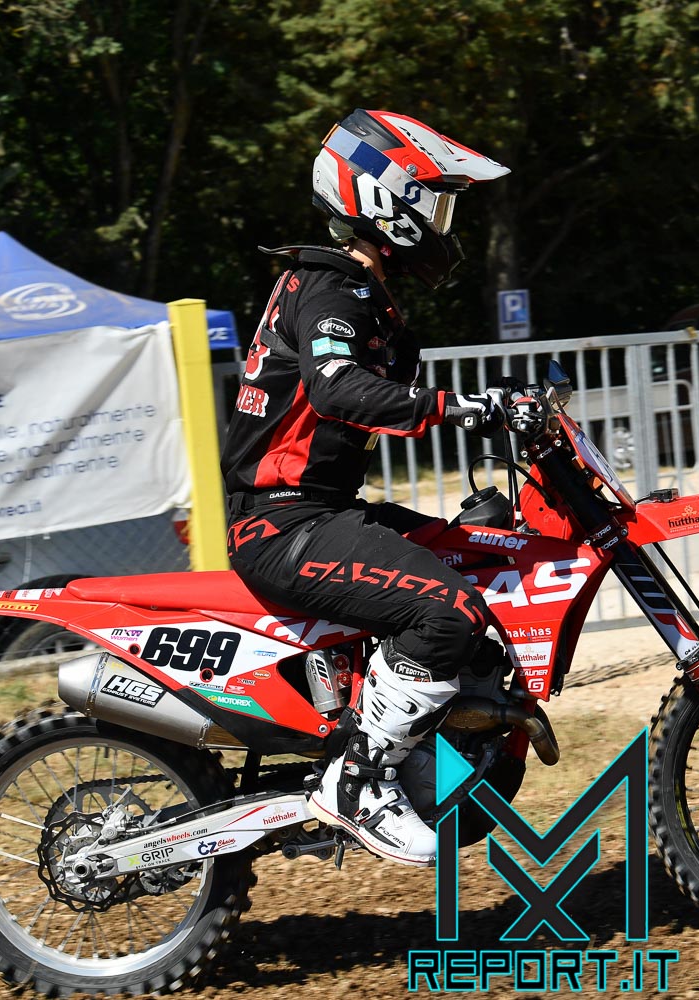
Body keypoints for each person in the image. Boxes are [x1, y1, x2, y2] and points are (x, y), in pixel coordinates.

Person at [220, 109, 510, 866]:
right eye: (433, 204)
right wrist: (459, 408)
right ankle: (356, 780)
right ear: (384, 199)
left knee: (483, 554)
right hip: (284, 525)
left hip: (315, 513)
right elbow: (338, 387)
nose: (441, 225)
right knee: (446, 609)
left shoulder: (355, 291)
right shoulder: (331, 287)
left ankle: (428, 740)